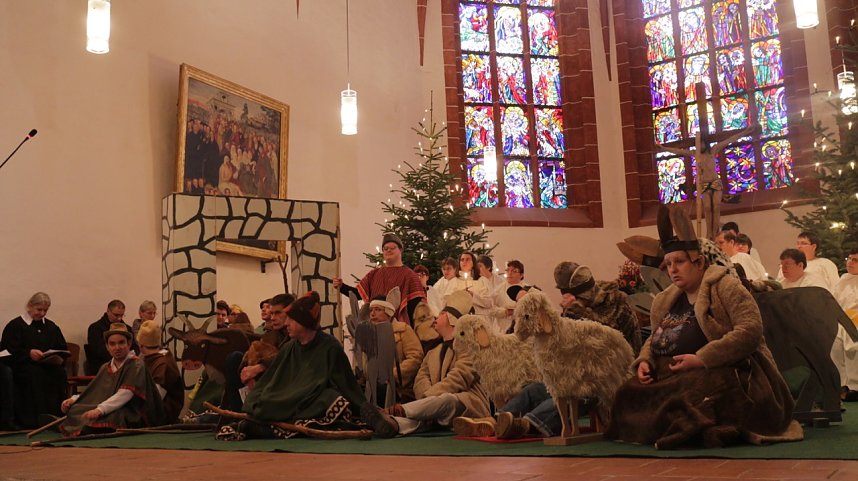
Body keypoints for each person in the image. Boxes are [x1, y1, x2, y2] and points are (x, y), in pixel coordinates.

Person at [607, 209, 798, 449]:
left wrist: (701, 358)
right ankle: (679, 429)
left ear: (698, 262)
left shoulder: (726, 286)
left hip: (728, 369)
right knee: (628, 391)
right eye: (668, 264)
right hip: (674, 373)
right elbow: (657, 336)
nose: (673, 269)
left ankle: (692, 431)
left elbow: (750, 330)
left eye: (679, 262)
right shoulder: (665, 299)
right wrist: (646, 360)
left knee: (696, 390)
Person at [218, 292, 392, 440]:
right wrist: (254, 399)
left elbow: (347, 385)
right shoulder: (289, 348)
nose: (287, 324)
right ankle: (262, 426)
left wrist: (363, 407)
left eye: (291, 320)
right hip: (287, 397)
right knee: (264, 401)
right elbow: (271, 381)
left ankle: (263, 428)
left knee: (333, 400)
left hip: (312, 399)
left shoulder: (330, 347)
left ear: (304, 323)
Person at [364, 291, 490, 436]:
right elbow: (420, 378)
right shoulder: (432, 352)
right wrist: (428, 399)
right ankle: (392, 423)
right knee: (424, 416)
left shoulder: (469, 347)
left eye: (441, 314)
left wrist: (429, 398)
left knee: (447, 400)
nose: (435, 318)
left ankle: (397, 411)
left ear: (451, 319)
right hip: (434, 406)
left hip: (467, 405)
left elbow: (459, 378)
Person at [60, 323, 165, 436]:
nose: (117, 347)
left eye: (121, 342)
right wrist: (74, 400)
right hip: (111, 406)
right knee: (76, 409)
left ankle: (81, 426)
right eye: (112, 344)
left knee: (114, 415)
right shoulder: (105, 367)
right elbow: (95, 391)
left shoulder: (136, 365)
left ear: (129, 344)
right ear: (107, 347)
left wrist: (100, 410)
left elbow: (125, 394)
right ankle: (80, 425)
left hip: (133, 411)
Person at [1, 292, 68, 428]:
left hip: (48, 366)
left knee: (59, 373)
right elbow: (7, 351)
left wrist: (59, 358)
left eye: (45, 310)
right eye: (39, 310)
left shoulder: (51, 327)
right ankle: (32, 420)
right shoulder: (15, 325)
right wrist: (28, 353)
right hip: (22, 366)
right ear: (29, 306)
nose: (42, 313)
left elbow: (62, 347)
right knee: (34, 373)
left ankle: (57, 417)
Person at [220, 293, 295, 412]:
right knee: (234, 358)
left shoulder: (296, 335)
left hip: (280, 384)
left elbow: (289, 358)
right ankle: (238, 413)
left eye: (278, 313)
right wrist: (249, 376)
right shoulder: (271, 334)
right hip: (258, 383)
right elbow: (250, 355)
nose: (273, 318)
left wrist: (260, 367)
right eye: (272, 313)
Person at [333, 234, 425, 326]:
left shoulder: (410, 276)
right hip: (375, 329)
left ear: (400, 250)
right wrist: (342, 286)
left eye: (392, 247)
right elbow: (357, 294)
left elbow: (416, 308)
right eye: (385, 248)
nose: (388, 250)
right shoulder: (374, 274)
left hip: (400, 331)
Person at [554, 262, 642, 354]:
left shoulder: (617, 300)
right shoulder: (576, 305)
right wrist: (567, 312)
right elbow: (568, 342)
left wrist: (575, 310)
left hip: (624, 360)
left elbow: (605, 338)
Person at [359, 295, 424, 403]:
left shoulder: (403, 330)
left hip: (398, 387)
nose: (372, 314)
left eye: (378, 310)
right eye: (371, 310)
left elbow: (416, 358)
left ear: (389, 313)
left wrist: (391, 375)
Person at [137, 320, 184, 424]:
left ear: (140, 345)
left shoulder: (162, 364)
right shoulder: (150, 359)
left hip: (163, 412)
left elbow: (156, 397)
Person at [86, 300, 139, 374]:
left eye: (122, 315)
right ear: (108, 311)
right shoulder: (95, 328)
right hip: (103, 366)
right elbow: (99, 351)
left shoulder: (128, 329)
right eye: (116, 315)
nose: (119, 318)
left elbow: (135, 348)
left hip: (127, 365)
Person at [833, 249, 858, 401]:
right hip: (842, 320)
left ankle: (855, 386)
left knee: (853, 342)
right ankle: (841, 384)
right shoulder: (843, 279)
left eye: (855, 260)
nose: (850, 262)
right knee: (834, 341)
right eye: (849, 259)